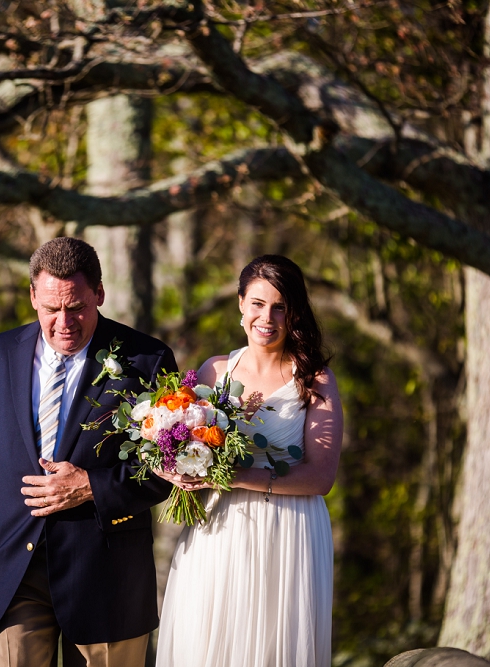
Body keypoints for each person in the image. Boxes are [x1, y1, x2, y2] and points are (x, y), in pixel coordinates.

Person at [0, 237, 176, 667]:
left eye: (77, 307)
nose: (64, 322)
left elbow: (166, 470)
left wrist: (91, 486)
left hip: (107, 573)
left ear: (99, 294)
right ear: (32, 298)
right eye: (51, 309)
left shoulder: (147, 360)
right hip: (11, 568)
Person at [154, 255, 344, 667]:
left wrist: (239, 476)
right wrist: (171, 466)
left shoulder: (313, 379)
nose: (267, 317)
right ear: (241, 303)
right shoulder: (215, 370)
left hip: (290, 532)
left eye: (279, 307)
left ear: (294, 312)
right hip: (218, 532)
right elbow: (176, 443)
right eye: (257, 303)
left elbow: (321, 476)